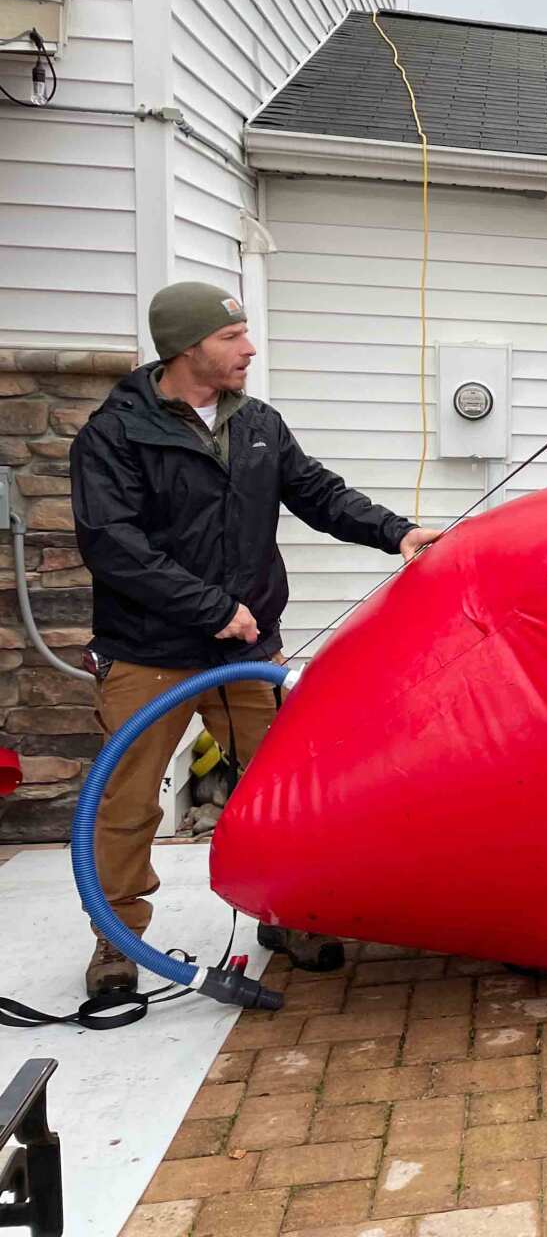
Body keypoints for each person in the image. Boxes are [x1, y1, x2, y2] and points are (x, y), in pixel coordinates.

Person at [70, 281, 444, 997]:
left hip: (244, 650)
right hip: (148, 652)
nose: (249, 348)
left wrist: (395, 531)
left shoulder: (259, 423)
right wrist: (211, 607)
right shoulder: (114, 435)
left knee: (284, 790)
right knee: (127, 802)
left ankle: (290, 912)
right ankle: (116, 937)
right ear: (187, 349)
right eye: (230, 338)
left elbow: (318, 493)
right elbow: (113, 544)